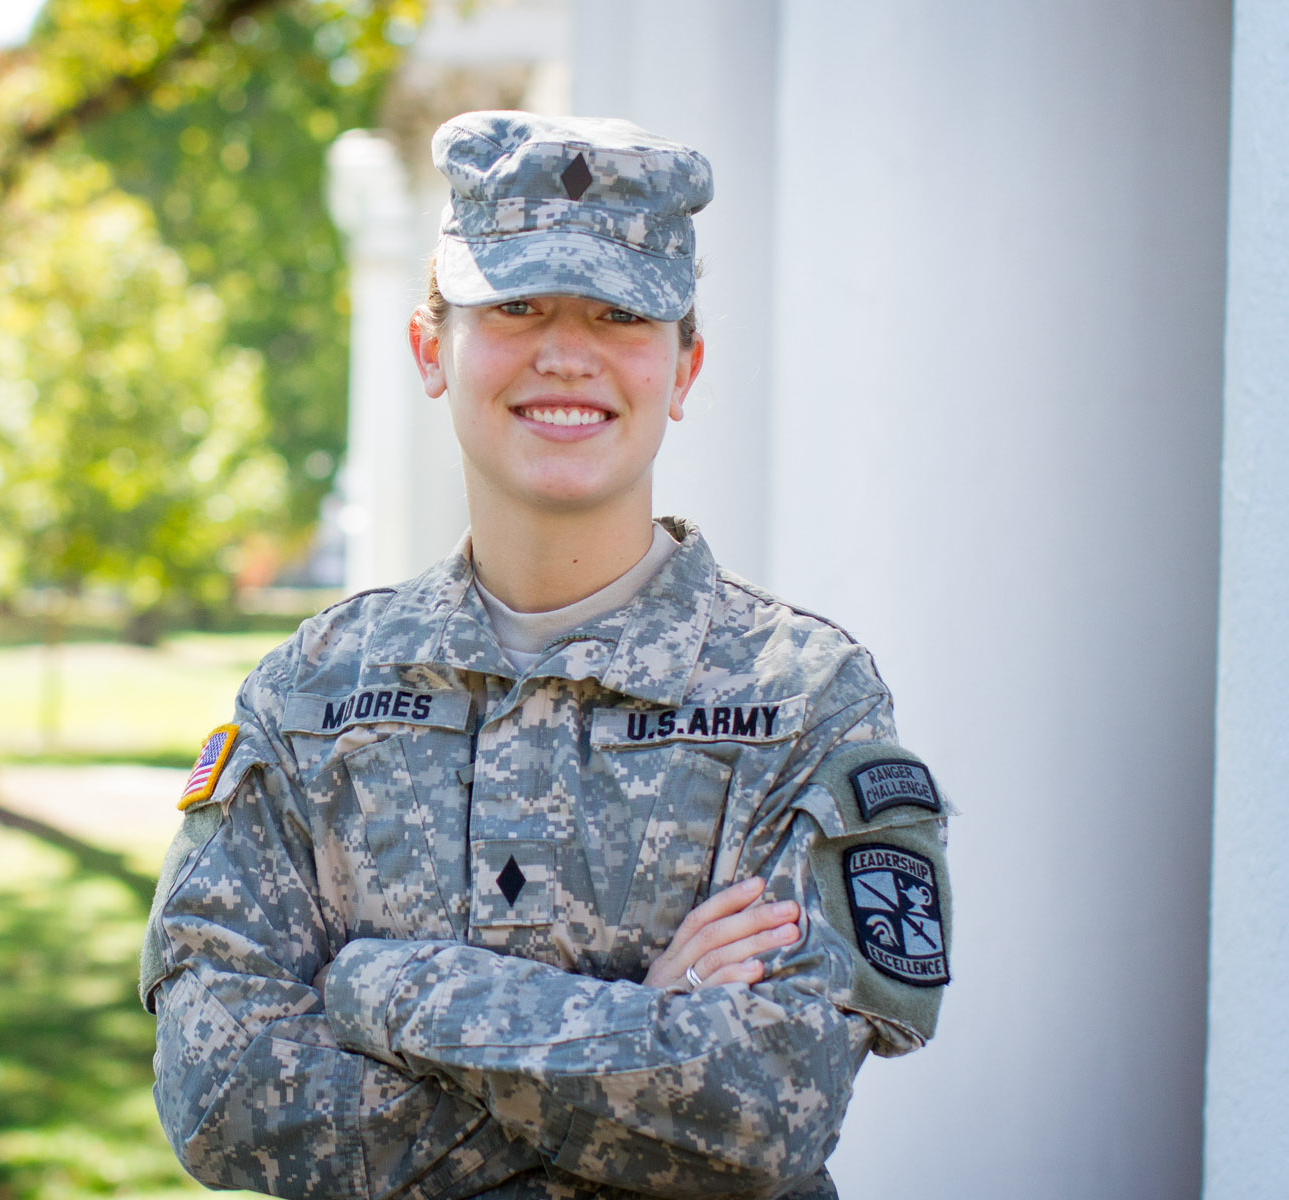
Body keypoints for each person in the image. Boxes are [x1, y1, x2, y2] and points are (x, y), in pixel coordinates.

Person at [140, 110, 952, 1199]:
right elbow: (221, 1097)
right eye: (515, 306)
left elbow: (766, 1107)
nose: (566, 353)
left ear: (685, 365)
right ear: (433, 348)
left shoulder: (803, 699)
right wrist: (648, 1027)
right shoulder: (313, 695)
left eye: (620, 313)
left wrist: (384, 990)